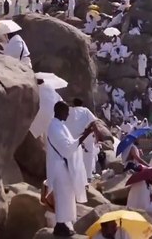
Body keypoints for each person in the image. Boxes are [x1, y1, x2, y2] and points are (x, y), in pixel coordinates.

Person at [46, 101, 94, 236]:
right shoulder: (54, 127)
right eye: (66, 111)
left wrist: (84, 134)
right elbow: (67, 148)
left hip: (64, 167)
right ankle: (60, 225)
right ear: (59, 111)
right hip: (58, 168)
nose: (68, 114)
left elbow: (71, 143)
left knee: (68, 195)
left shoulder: (60, 125)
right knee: (62, 196)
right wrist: (85, 135)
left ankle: (64, 223)